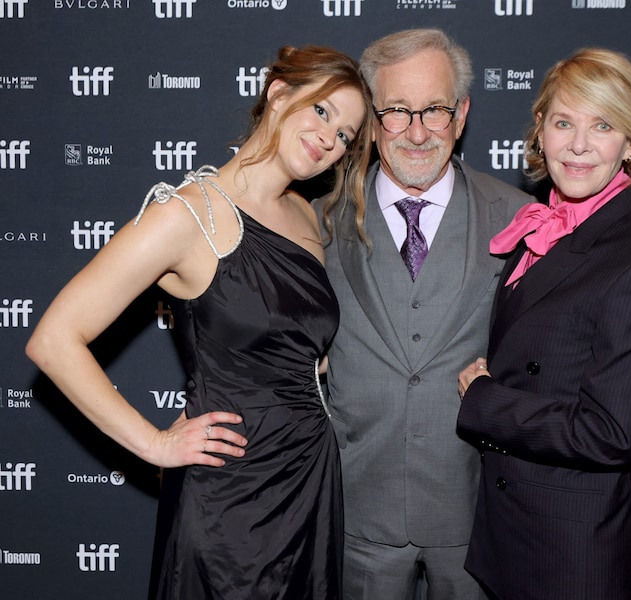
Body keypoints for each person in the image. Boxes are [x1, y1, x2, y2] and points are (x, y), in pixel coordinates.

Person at [26, 44, 372, 599]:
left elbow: (298, 350)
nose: (330, 139)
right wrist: (154, 444)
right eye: (322, 111)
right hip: (228, 495)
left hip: (310, 479)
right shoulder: (186, 215)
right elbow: (54, 340)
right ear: (278, 93)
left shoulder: (306, 214)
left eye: (346, 135)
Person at [456, 47, 631, 600]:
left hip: (572, 554)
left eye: (602, 125)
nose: (579, 145)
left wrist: (483, 398)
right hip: (514, 532)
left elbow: (609, 435)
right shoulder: (547, 226)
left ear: (630, 143)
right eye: (564, 122)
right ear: (540, 131)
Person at [314, 28, 530, 600]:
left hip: (478, 509)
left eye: (433, 110)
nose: (416, 132)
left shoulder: (520, 218)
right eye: (397, 111)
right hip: (357, 507)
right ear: (370, 119)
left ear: (460, 115)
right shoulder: (315, 221)